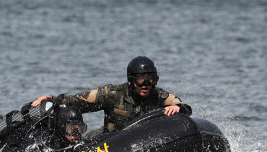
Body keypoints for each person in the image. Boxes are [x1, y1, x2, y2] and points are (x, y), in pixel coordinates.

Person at [31, 56, 191, 139]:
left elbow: (183, 106)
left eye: (151, 79)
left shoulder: (158, 95)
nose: (146, 84)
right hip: (111, 140)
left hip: (142, 141)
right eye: (141, 79)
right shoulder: (113, 93)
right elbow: (80, 100)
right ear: (132, 79)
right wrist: (54, 99)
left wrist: (177, 108)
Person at [16, 105, 88, 152]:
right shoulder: (41, 144)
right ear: (62, 128)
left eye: (79, 128)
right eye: (71, 129)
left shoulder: (79, 142)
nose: (75, 134)